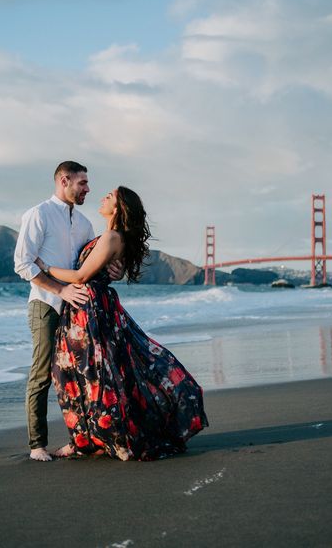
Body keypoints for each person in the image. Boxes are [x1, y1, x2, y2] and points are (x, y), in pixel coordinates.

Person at [35, 186, 209, 461]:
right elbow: (100, 268)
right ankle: (90, 438)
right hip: (89, 308)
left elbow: (80, 275)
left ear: (118, 208)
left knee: (89, 374)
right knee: (90, 374)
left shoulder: (112, 237)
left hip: (89, 309)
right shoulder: (107, 236)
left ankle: (96, 438)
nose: (102, 197)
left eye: (110, 196)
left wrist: (42, 267)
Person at [14, 161, 123, 462]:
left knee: (79, 377)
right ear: (64, 180)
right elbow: (23, 264)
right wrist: (60, 289)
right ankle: (37, 445)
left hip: (78, 313)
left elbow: (90, 265)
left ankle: (83, 439)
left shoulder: (85, 224)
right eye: (83, 183)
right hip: (46, 305)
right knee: (42, 375)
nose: (88, 189)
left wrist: (114, 269)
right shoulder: (39, 214)